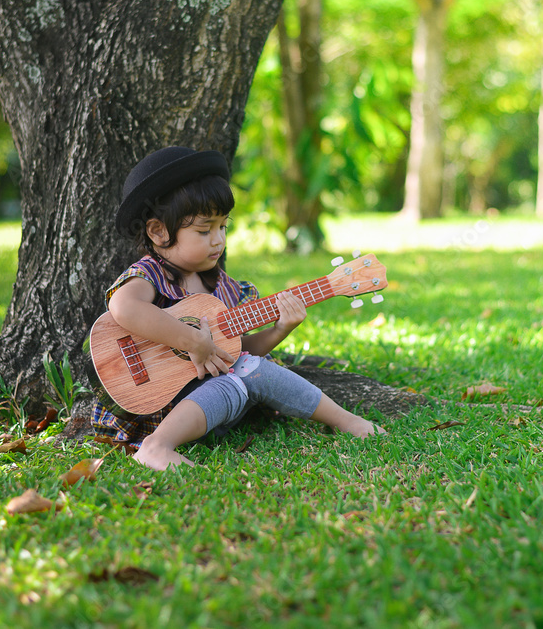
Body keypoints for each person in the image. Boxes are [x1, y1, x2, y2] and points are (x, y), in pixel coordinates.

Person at [91, 146, 384, 470]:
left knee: (250, 368)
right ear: (159, 232)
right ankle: (156, 446)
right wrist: (191, 342)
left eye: (223, 227)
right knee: (240, 374)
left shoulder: (224, 288)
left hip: (213, 401)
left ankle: (346, 421)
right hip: (159, 405)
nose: (218, 240)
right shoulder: (151, 273)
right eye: (204, 230)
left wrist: (280, 328)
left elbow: (236, 350)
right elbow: (124, 308)